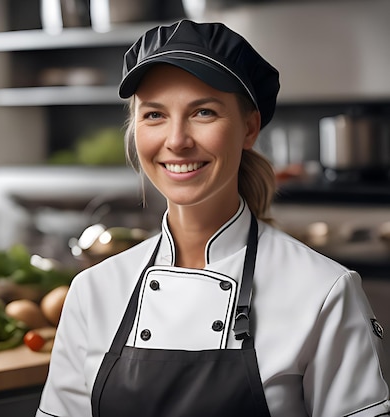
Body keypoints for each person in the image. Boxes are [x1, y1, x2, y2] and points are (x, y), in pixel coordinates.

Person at [35, 19, 390, 417]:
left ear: (249, 128)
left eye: (203, 112)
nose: (176, 140)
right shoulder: (92, 292)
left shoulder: (323, 292)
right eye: (154, 115)